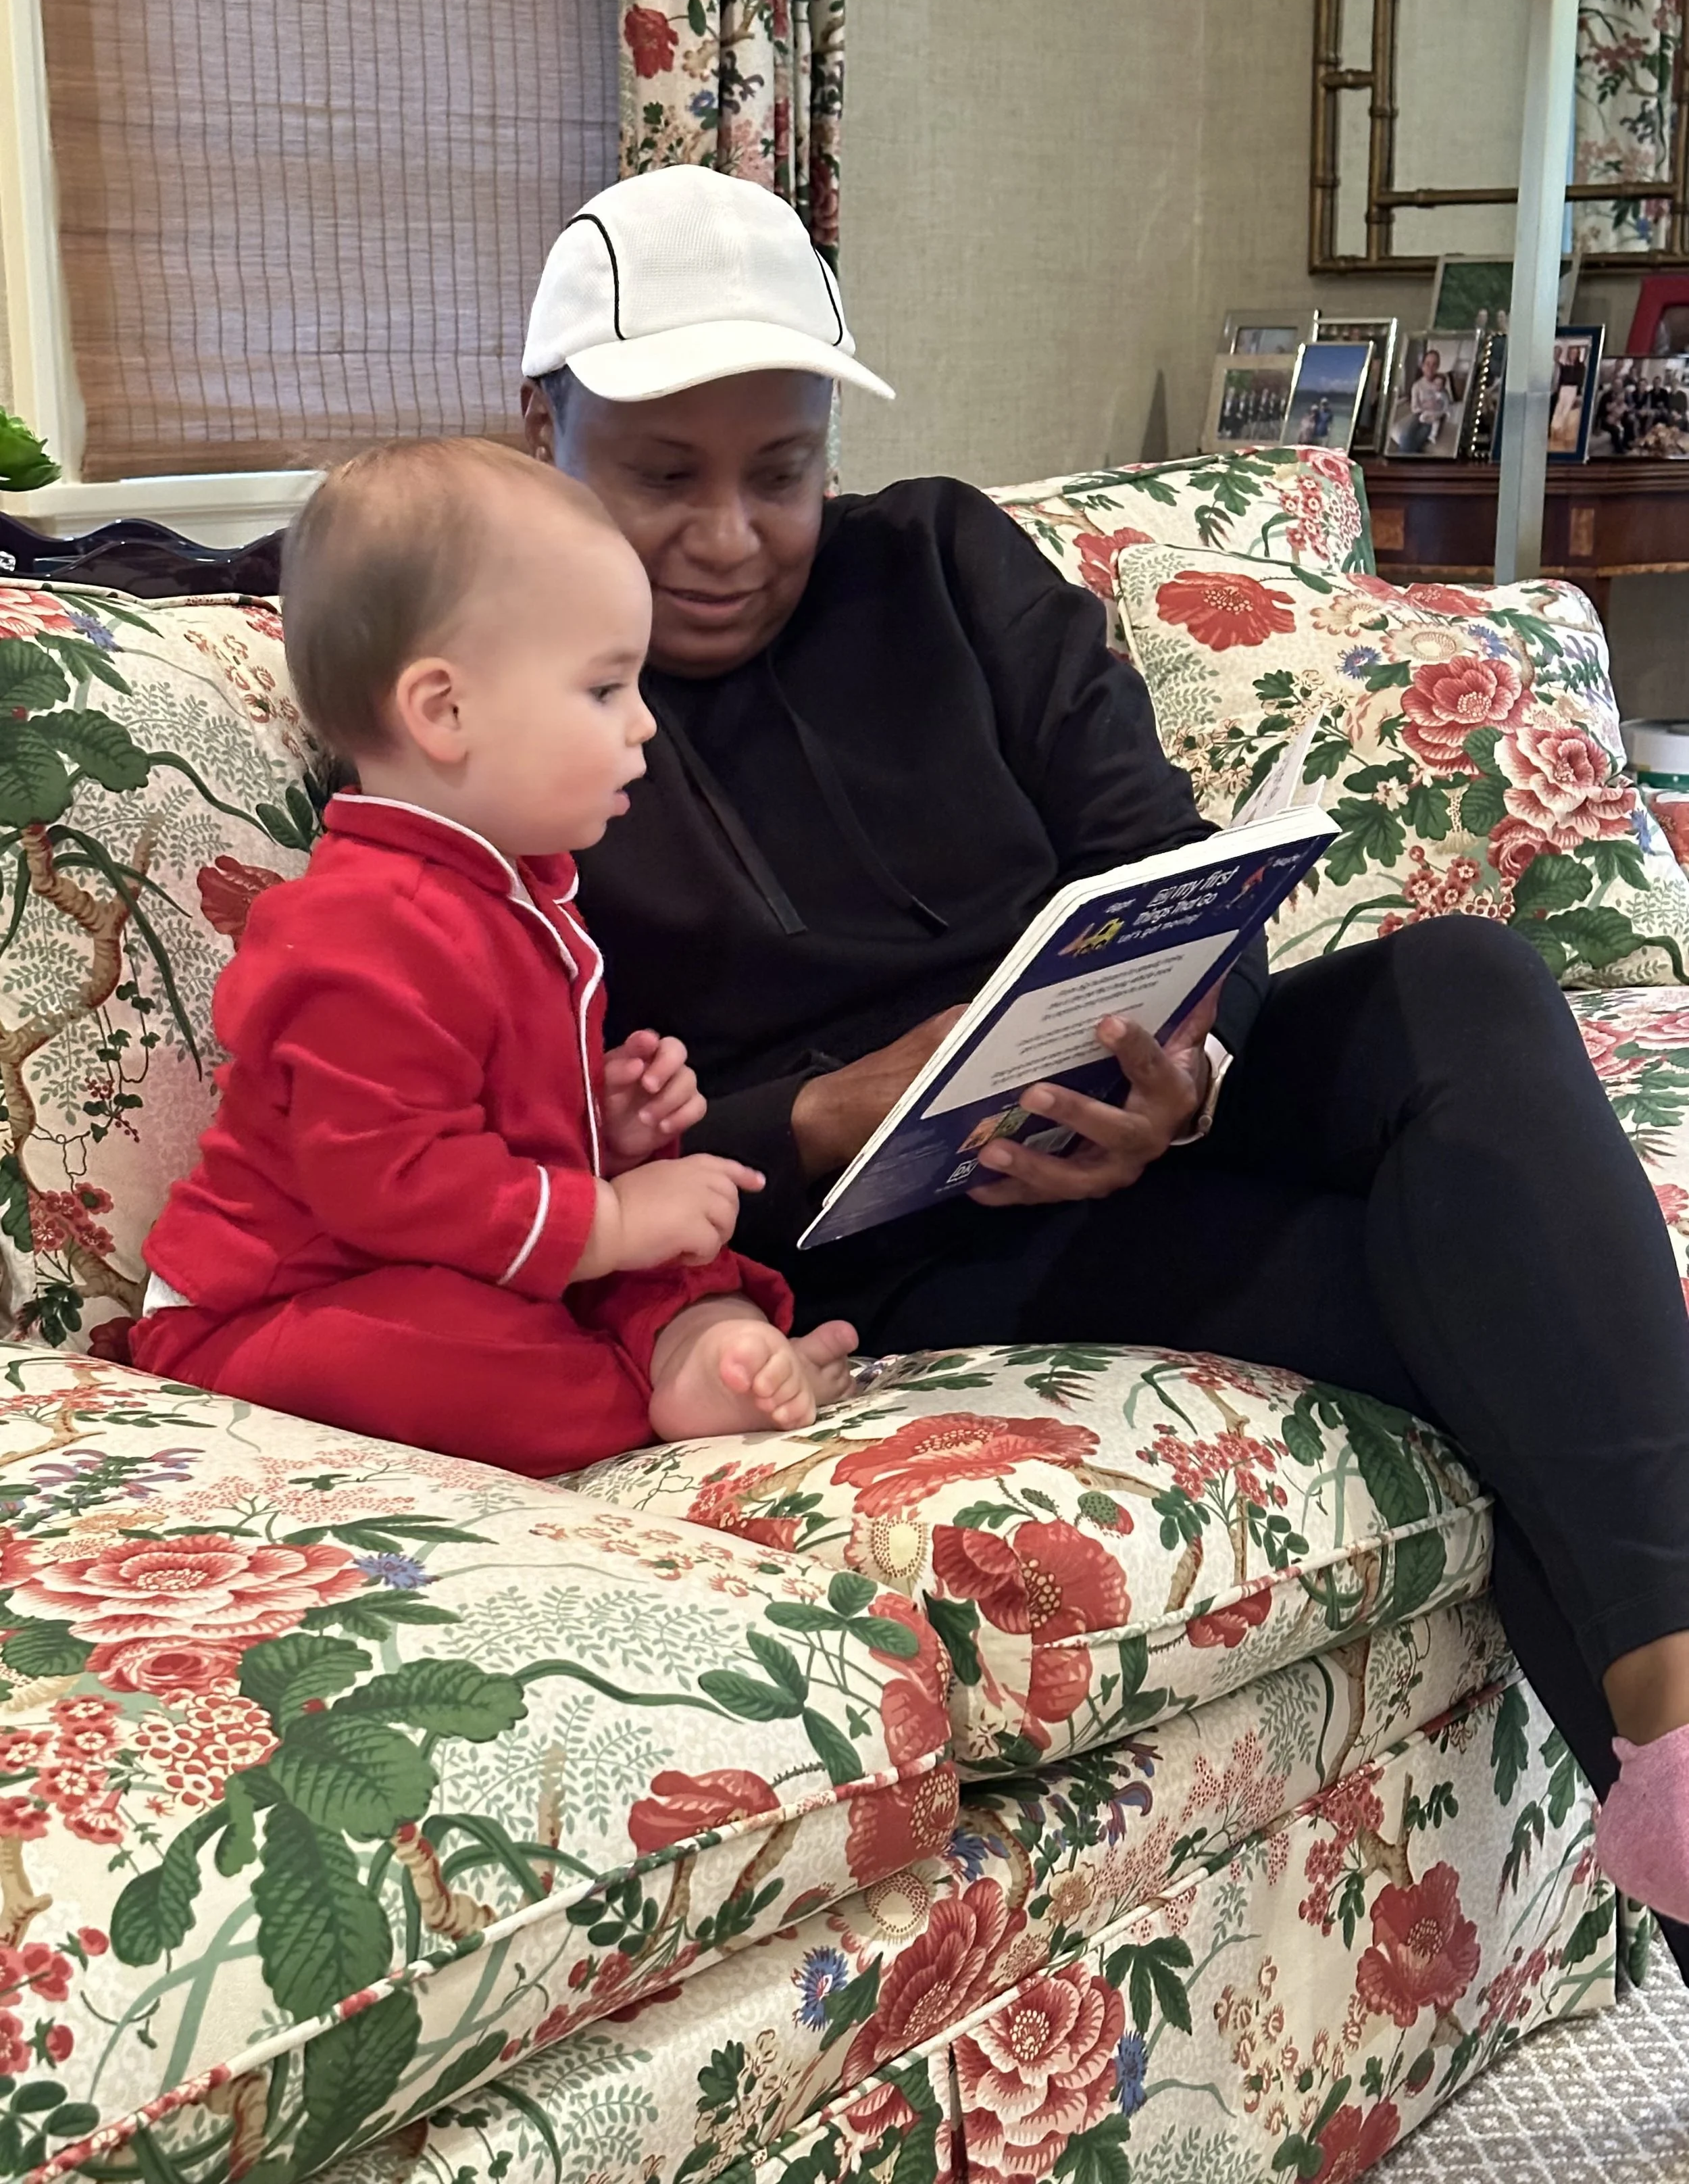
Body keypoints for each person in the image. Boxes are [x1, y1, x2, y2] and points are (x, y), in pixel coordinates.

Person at [515, 165, 1689, 1949]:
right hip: (876, 1228)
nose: (731, 533)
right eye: (661, 475)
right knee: (1500, 1320)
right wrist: (831, 1108)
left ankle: (1679, 1714)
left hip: (1123, 1091)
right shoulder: (490, 683)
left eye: (781, 471)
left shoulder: (944, 562)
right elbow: (532, 1129)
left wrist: (1184, 1072)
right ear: (545, 429)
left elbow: (1159, 851)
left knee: (1457, 980)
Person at [128, 438, 856, 1468]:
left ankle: (700, 1347)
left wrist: (601, 1123)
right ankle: (645, 1385)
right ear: (446, 711)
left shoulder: (513, 888)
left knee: (680, 1250)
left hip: (466, 1249)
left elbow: (475, 1126)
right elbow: (390, 1181)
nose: (646, 724)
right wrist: (603, 1219)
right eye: (606, 689)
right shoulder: (360, 928)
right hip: (284, 1301)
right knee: (437, 1348)